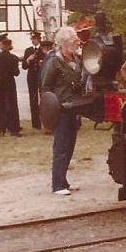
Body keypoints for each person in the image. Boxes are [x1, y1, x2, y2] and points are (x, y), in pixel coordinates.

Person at [41, 26, 85, 195]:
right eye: (74, 39)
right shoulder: (54, 61)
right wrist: (49, 108)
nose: (77, 42)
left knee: (70, 145)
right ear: (64, 42)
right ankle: (57, 184)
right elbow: (45, 87)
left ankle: (64, 181)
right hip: (60, 109)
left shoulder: (77, 59)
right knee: (61, 146)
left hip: (74, 108)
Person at [0, 36, 22, 136]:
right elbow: (16, 73)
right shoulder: (13, 58)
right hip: (9, 83)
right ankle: (13, 128)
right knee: (12, 105)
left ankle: (0, 128)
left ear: (2, 46)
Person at [22, 31, 46, 130]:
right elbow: (24, 66)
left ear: (39, 39)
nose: (33, 41)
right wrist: (28, 60)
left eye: (35, 39)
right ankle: (35, 123)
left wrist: (42, 62)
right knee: (33, 99)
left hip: (42, 76)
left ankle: (45, 121)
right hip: (32, 77)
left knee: (44, 98)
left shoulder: (43, 49)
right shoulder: (28, 50)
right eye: (32, 39)